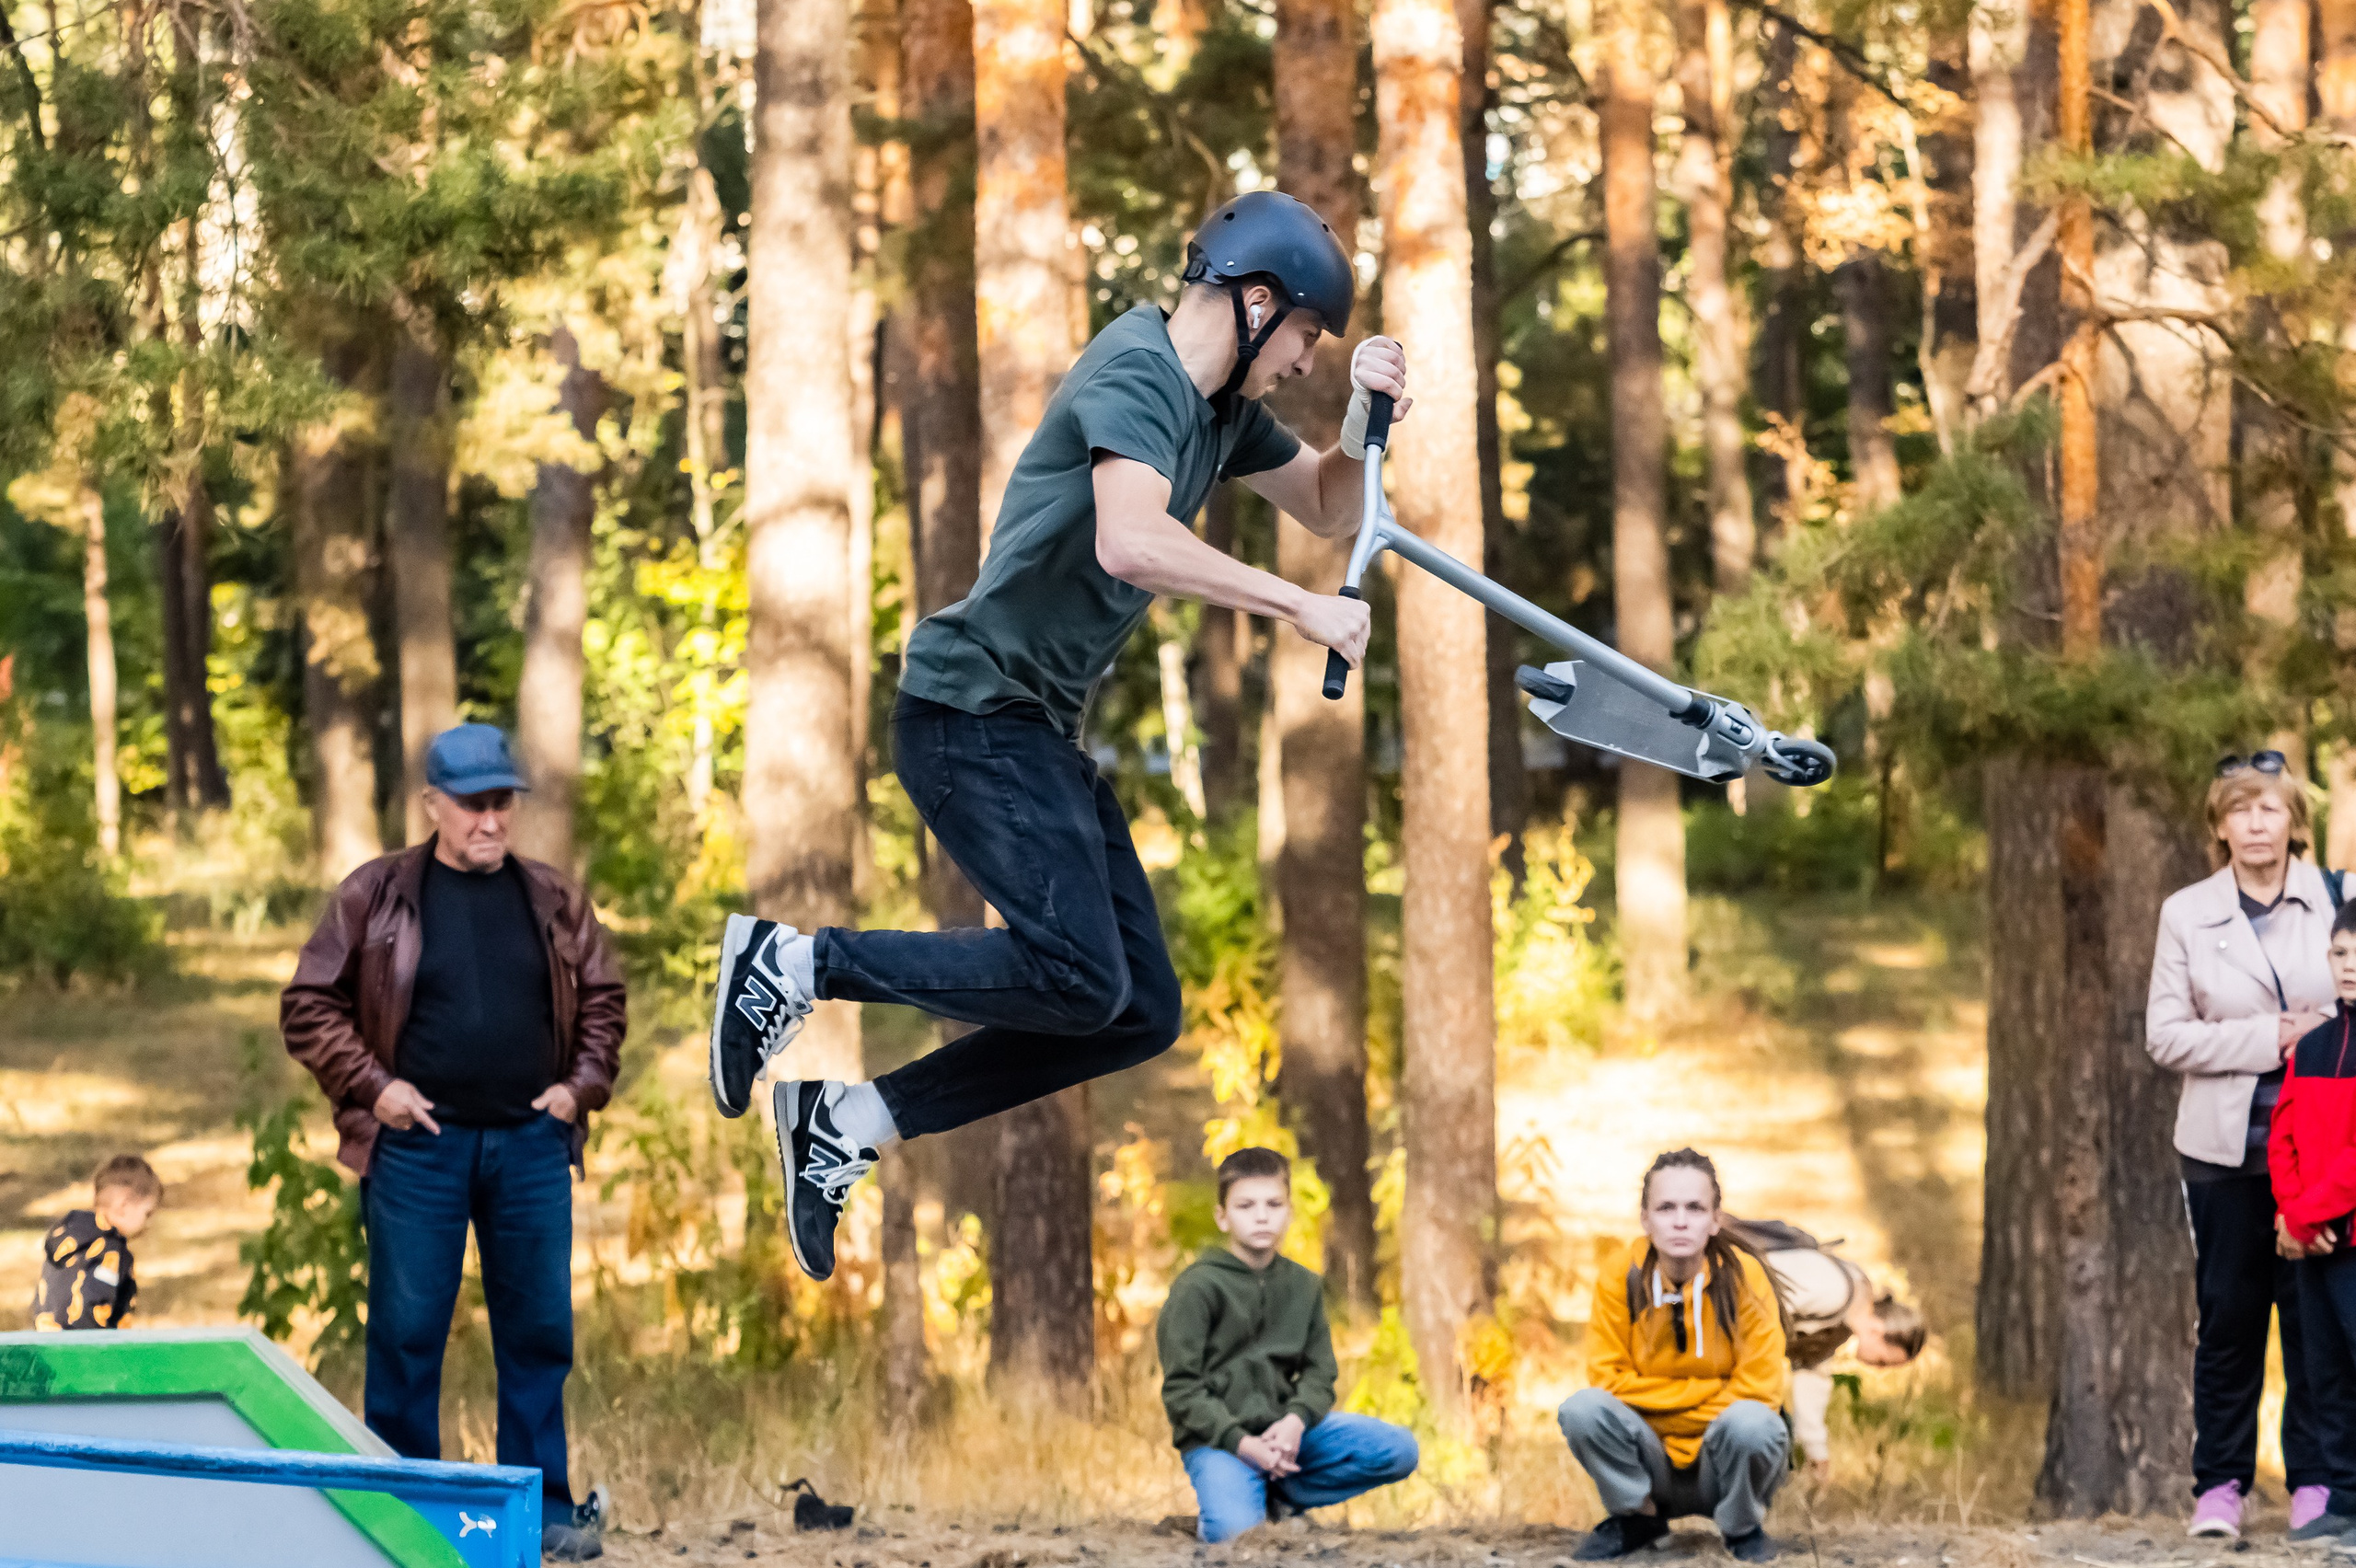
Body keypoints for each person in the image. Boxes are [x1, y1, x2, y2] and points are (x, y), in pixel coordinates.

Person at [702, 190, 1411, 1284]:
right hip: (966, 714)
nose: (1304, 363)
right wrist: (1299, 608)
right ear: (1258, 304)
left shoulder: (1218, 413)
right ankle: (791, 963)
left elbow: (1325, 503)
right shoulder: (1139, 373)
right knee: (1079, 974)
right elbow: (1131, 541)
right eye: (1309, 340)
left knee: (1133, 1011)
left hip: (1030, 730)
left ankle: (845, 1124)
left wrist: (1366, 415)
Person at [281, 723, 623, 1562]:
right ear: (432, 804)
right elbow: (308, 1005)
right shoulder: (377, 894)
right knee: (405, 1334)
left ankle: (542, 1512)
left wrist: (576, 1092)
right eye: (472, 805)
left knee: (539, 1332)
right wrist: (375, 1088)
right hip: (417, 1150)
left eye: (502, 802)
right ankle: (406, 1517)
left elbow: (606, 1001)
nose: (490, 821)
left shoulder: (552, 898)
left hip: (530, 1149)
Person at [2148, 750, 2336, 1539]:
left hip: (2321, 1153)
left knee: (2315, 1324)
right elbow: (2164, 1036)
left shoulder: (2338, 901)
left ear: (2294, 820)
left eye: (2271, 809)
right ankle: (2220, 1487)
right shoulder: (2186, 912)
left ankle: (2319, 1484)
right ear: (2219, 825)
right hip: (2226, 1152)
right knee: (2229, 1320)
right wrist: (2272, 1035)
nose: (2257, 824)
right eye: (2240, 810)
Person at [1157, 1147, 1419, 1542]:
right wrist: (1242, 1444)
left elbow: (1320, 1373)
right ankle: (1245, 1493)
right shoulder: (1197, 1288)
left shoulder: (1304, 1286)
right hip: (1222, 1441)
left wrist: (1295, 1422)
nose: (1262, 1216)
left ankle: (1279, 1491)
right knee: (1236, 1536)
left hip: (1287, 1434)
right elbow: (1182, 1390)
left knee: (1399, 1450)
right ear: (1222, 1217)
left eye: (1273, 1204)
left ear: (1289, 1212)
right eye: (1246, 1206)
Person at [1559, 1149, 1790, 1564]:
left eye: (1695, 1208)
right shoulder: (1619, 1275)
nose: (1680, 1221)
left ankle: (1741, 1528)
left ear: (1716, 1219)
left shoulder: (1746, 1278)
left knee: (1753, 1424)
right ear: (1645, 1219)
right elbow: (1606, 1382)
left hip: (1719, 1461)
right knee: (1582, 1410)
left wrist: (1659, 1405)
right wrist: (1708, 1395)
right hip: (1649, 1461)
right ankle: (1637, 1517)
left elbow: (1761, 1391)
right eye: (1666, 1208)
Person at [2268, 900, 2356, 1542]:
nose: (2350, 967)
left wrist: (2304, 1217)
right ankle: (2344, 1501)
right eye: (2341, 953)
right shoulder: (2315, 1044)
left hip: (2343, 1236)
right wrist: (2293, 1217)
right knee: (2324, 1374)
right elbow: (2284, 1134)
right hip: (2314, 1242)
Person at [1746, 1225, 1924, 1481]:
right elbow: (1756, 1297)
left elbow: (1812, 1375)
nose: (1878, 1369)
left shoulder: (1841, 1325)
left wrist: (1816, 1451)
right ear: (1877, 1330)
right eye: (1883, 1361)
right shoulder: (1835, 1290)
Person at [30, 1155, 162, 1331]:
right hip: (83, 1347)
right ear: (124, 1206)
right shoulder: (109, 1251)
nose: (147, 1224)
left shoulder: (70, 1237)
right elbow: (94, 1298)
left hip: (45, 1341)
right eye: (147, 1214)